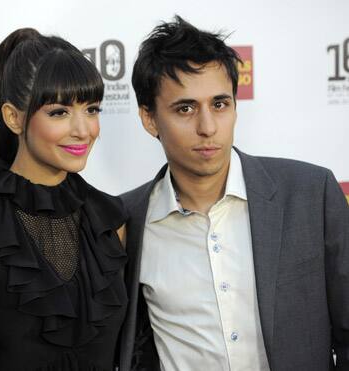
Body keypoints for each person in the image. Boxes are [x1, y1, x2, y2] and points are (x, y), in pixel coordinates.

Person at [118, 16, 349, 371]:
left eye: (220, 104)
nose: (207, 127)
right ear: (149, 119)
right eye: (185, 108)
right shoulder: (126, 219)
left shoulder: (310, 194)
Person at [0, 28, 127, 371]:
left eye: (92, 109)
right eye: (59, 112)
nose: (83, 130)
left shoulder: (112, 221)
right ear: (13, 117)